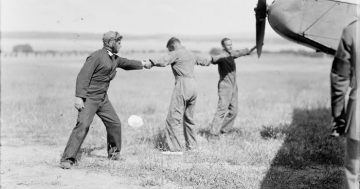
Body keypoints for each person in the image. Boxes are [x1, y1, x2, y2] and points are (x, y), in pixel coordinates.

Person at [60, 31, 152, 169]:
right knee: (83, 125)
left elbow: (126, 63)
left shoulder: (114, 58)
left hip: (103, 99)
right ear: (110, 43)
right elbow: (82, 76)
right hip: (89, 98)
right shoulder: (96, 57)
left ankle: (114, 154)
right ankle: (67, 159)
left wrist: (143, 64)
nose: (121, 45)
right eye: (119, 43)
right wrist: (79, 97)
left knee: (114, 124)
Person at [149, 37, 225, 152]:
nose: (169, 52)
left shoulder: (176, 53)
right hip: (194, 86)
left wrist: (150, 62)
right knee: (189, 119)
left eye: (169, 49)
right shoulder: (191, 53)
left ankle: (176, 150)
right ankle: (192, 147)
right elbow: (206, 61)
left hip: (182, 84)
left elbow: (163, 61)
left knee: (173, 119)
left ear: (172, 46)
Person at [205, 38, 255, 138]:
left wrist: (253, 48)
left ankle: (223, 130)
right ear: (223, 46)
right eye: (228, 45)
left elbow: (239, 52)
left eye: (231, 44)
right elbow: (214, 59)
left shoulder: (231, 54)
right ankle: (213, 134)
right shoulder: (222, 56)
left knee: (234, 111)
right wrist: (208, 60)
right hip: (225, 87)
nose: (230, 46)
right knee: (221, 110)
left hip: (234, 86)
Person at [330, 20, 359, 189]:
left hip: (358, 114)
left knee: (352, 171)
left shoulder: (352, 30)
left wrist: (339, 119)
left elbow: (339, 80)